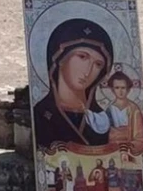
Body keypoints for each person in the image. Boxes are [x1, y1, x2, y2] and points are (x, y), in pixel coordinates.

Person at [31, 18, 115, 150]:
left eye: (98, 64)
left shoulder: (102, 118)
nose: (88, 71)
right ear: (60, 58)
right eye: (82, 57)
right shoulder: (42, 113)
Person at [105, 71, 143, 149]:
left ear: (128, 89)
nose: (120, 91)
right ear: (112, 90)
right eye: (117, 88)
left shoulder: (134, 110)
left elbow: (141, 137)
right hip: (113, 148)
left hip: (130, 148)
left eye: (123, 88)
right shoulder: (109, 110)